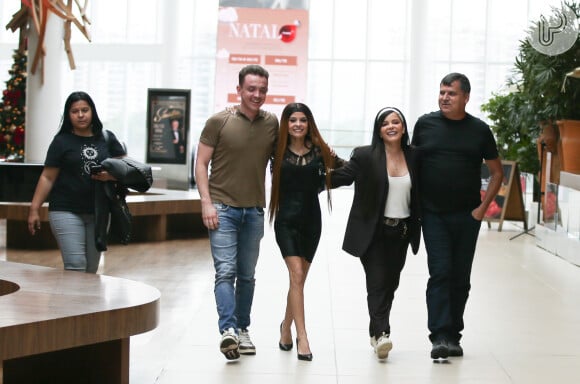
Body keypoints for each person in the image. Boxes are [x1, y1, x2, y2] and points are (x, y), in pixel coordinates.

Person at [411, 73, 503, 359]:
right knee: (440, 272)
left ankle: (453, 335)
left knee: (460, 277)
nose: (444, 97)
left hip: (467, 216)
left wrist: (481, 210)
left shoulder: (479, 130)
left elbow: (497, 172)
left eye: (451, 93)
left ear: (466, 97)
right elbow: (411, 164)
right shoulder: (425, 125)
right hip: (433, 214)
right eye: (441, 92)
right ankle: (439, 335)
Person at [195, 64, 279, 361]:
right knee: (225, 272)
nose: (257, 95)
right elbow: (201, 163)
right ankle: (228, 330)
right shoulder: (218, 121)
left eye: (262, 90)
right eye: (252, 89)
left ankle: (243, 330)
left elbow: (281, 161)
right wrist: (206, 202)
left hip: (254, 211)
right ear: (239, 89)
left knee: (247, 276)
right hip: (222, 208)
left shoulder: (272, 123)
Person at [331, 107, 421, 360]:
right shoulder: (365, 155)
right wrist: (314, 173)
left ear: (403, 128)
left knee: (390, 284)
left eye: (396, 122)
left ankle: (375, 332)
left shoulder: (415, 156)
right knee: (377, 282)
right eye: (385, 123)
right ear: (379, 130)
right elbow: (343, 177)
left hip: (402, 231)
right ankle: (383, 333)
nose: (391, 126)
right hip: (373, 231)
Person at [269, 102, 344, 362]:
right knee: (297, 274)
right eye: (292, 120)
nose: (298, 124)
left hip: (312, 222)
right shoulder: (275, 152)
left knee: (298, 282)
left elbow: (347, 172)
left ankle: (285, 327)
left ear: (308, 123)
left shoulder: (320, 152)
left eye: (302, 120)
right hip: (286, 222)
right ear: (286, 124)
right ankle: (303, 337)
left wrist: (326, 174)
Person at [27, 91, 126, 273]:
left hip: (99, 211)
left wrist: (110, 176)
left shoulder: (107, 138)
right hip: (65, 210)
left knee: (90, 269)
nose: (81, 115)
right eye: (75, 111)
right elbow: (47, 177)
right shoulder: (61, 142)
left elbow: (125, 169)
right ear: (68, 115)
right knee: (75, 266)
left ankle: (81, 302)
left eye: (85, 110)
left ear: (92, 112)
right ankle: (67, 302)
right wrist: (34, 209)